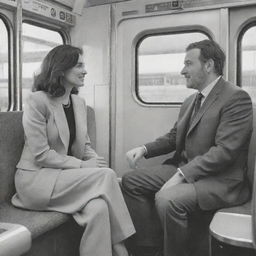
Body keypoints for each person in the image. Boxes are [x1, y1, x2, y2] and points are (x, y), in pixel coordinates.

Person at [121, 39, 253, 256]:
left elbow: (225, 151)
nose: (182, 70)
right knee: (129, 181)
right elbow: (175, 137)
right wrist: (145, 149)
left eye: (188, 63)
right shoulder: (191, 100)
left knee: (167, 199)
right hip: (186, 168)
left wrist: (182, 174)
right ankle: (150, 246)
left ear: (208, 65)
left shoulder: (236, 98)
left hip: (220, 179)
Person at [11, 44, 135, 256]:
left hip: (66, 179)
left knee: (99, 208)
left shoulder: (79, 103)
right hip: (36, 181)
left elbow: (85, 146)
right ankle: (121, 248)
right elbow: (41, 155)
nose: (85, 70)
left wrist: (95, 163)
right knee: (106, 176)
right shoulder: (37, 101)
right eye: (79, 65)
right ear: (60, 69)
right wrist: (85, 167)